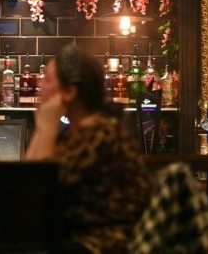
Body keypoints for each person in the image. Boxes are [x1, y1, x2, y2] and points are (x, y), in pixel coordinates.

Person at [26, 45, 151, 253]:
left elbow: (40, 195)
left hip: (104, 245)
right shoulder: (73, 134)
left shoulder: (102, 134)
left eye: (47, 79)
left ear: (69, 92)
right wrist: (42, 128)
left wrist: (46, 128)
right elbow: (27, 194)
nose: (40, 85)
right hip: (74, 241)